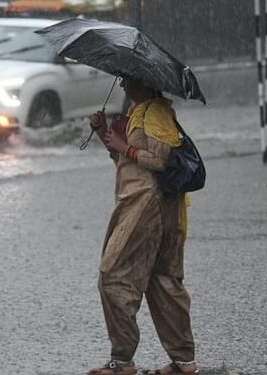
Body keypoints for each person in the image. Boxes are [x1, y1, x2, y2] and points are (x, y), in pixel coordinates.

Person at [87, 77, 198, 375]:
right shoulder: (139, 113)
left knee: (113, 275)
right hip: (139, 201)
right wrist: (103, 134)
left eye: (128, 79)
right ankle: (183, 362)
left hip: (146, 204)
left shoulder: (156, 112)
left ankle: (122, 362)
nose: (122, 83)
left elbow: (159, 160)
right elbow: (126, 163)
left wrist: (124, 145)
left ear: (144, 82)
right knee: (162, 281)